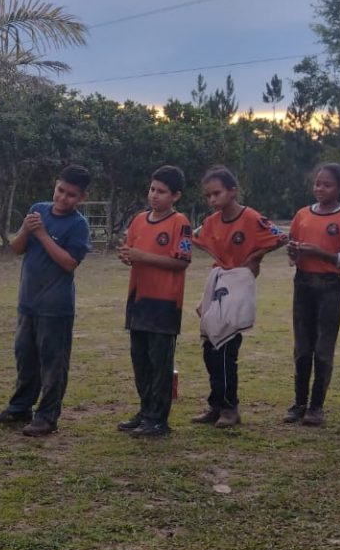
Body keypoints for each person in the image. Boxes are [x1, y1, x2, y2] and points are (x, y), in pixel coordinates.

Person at [0, 165, 94, 437]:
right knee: (25, 359)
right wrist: (26, 229)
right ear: (55, 185)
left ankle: (47, 417)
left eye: (71, 194)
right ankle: (19, 408)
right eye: (60, 190)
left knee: (53, 365)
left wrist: (44, 235)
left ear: (81, 198)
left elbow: (69, 263)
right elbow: (16, 249)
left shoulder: (78, 225)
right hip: (28, 302)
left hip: (55, 308)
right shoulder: (38, 210)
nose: (63, 198)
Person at [188, 166, 288, 428]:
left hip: (239, 284)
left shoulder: (251, 218)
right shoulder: (211, 222)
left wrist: (256, 257)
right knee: (210, 348)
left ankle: (230, 408)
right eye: (208, 195)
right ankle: (215, 404)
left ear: (232, 191)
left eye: (217, 193)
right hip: (219, 283)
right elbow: (194, 237)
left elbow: (280, 237)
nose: (212, 200)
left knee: (226, 347)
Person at [284, 163, 340, 426]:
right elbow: (293, 255)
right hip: (303, 283)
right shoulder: (302, 215)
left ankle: (316, 406)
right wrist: (294, 253)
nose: (320, 188)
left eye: (327, 185)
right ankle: (299, 403)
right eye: (317, 183)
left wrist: (322, 254)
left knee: (323, 348)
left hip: (330, 286)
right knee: (302, 347)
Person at [117, 165, 192, 438]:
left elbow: (181, 262)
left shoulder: (180, 223)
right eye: (152, 189)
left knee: (160, 363)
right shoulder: (138, 220)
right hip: (138, 300)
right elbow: (132, 251)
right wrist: (127, 256)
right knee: (140, 360)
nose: (154, 195)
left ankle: (159, 419)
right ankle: (145, 410)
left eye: (161, 191)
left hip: (164, 304)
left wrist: (142, 257)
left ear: (176, 195)